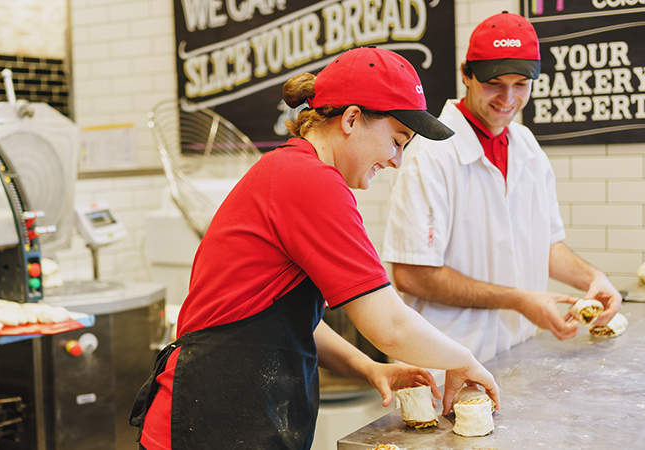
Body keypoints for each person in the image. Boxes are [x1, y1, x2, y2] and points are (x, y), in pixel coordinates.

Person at [129, 47, 501, 450]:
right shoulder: (310, 181)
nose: (397, 160)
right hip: (208, 423)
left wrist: (366, 366)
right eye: (396, 141)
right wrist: (463, 360)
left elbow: (284, 319)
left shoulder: (293, 169)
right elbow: (389, 325)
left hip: (228, 416)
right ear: (352, 119)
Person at [382, 12, 623, 372]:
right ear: (466, 74)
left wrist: (594, 279)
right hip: (446, 362)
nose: (507, 98)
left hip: (517, 354)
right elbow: (413, 274)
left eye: (521, 84)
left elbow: (546, 244)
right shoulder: (431, 154)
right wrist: (520, 300)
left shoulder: (526, 146)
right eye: (494, 82)